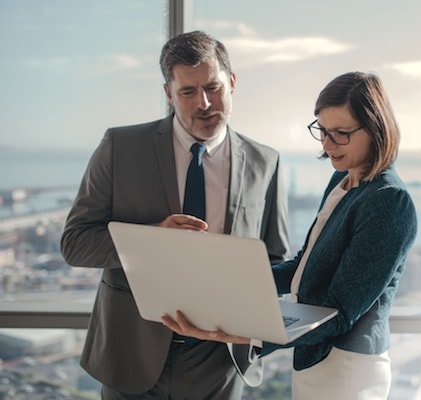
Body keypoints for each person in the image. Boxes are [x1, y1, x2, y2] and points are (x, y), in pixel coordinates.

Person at [61, 30, 290, 399]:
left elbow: (276, 260)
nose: (204, 103)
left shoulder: (266, 161)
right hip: (132, 353)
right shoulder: (120, 147)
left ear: (232, 83)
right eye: (187, 92)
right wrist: (153, 240)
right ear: (169, 93)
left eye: (213, 87)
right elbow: (75, 244)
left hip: (220, 362)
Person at [163, 71, 418, 399]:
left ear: (376, 128)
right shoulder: (343, 181)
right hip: (317, 362)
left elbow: (339, 313)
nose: (327, 145)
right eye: (323, 131)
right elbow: (303, 269)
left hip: (349, 370)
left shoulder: (389, 201)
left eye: (340, 134)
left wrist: (243, 330)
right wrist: (223, 284)